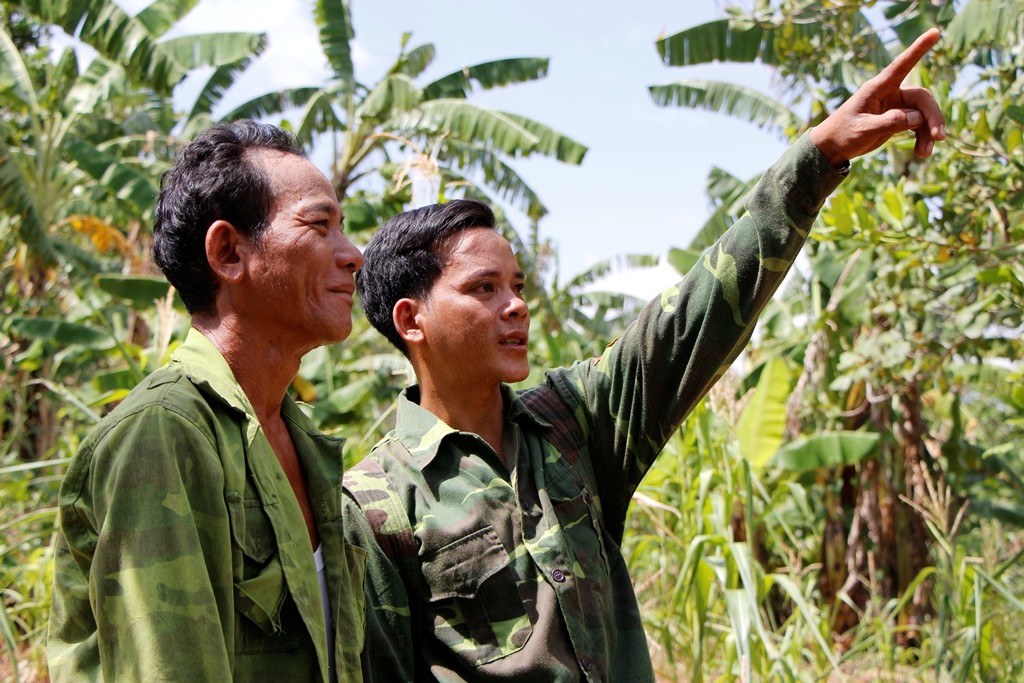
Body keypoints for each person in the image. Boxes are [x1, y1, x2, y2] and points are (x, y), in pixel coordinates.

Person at [341, 30, 946, 682]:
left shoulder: (572, 422)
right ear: (412, 319)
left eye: (516, 285)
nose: (515, 305)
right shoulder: (376, 503)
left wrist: (820, 155)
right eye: (483, 289)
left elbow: (693, 316)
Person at [47, 120, 368, 681]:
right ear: (228, 252)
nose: (353, 255)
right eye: (320, 226)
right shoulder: (165, 435)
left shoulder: (302, 442)